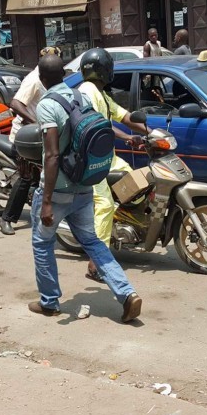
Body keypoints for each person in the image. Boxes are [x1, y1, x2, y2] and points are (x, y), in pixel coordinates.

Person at [29, 53, 143, 323]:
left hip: (58, 190)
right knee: (92, 242)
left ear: (42, 79)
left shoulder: (47, 105)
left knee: (42, 243)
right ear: (65, 75)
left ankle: (49, 302)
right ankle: (126, 293)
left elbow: (52, 155)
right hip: (84, 185)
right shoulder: (80, 97)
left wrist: (47, 201)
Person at [76, 48, 149, 282]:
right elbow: (99, 125)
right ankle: (95, 265)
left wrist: (152, 133)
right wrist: (127, 137)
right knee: (105, 205)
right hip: (91, 163)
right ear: (106, 70)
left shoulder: (101, 94)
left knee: (136, 183)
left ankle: (123, 226)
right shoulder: (87, 92)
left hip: (107, 157)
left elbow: (124, 116)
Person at [0, 47, 59, 236]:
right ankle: (6, 218)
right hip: (25, 136)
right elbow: (15, 104)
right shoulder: (34, 80)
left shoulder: (54, 79)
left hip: (42, 135)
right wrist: (35, 123)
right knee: (27, 177)